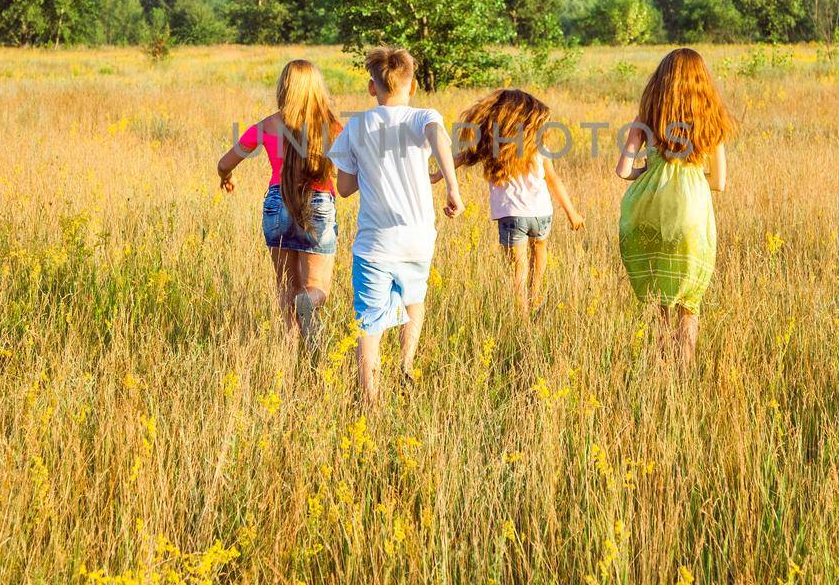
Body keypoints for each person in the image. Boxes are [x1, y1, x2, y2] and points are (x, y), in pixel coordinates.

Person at [328, 46, 463, 405]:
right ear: (412, 85)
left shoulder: (356, 125)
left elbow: (343, 188)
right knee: (414, 298)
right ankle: (406, 365)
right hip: (419, 237)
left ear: (372, 88)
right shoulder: (424, 117)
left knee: (370, 316)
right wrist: (451, 185)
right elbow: (436, 135)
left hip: (376, 242)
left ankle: (368, 392)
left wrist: (369, 170)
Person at [614, 47, 736, 364]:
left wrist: (651, 171)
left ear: (660, 81)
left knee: (660, 303)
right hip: (690, 213)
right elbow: (719, 182)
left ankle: (661, 370)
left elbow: (623, 170)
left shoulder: (645, 119)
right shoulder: (711, 121)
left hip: (645, 212)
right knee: (688, 303)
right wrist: (690, 173)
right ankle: (682, 375)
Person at [216, 59, 342, 352]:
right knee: (317, 288)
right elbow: (345, 169)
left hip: (276, 204)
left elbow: (224, 163)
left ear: (283, 87)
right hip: (317, 202)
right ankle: (308, 311)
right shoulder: (333, 127)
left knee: (287, 289)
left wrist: (227, 177)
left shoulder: (266, 126)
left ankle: (287, 359)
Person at [453, 89, 585, 309]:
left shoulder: (495, 146)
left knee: (517, 267)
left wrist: (437, 175)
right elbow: (553, 179)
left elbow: (463, 156)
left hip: (512, 215)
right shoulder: (538, 147)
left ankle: (521, 310)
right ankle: (535, 295)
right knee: (540, 250)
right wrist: (572, 212)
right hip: (542, 213)